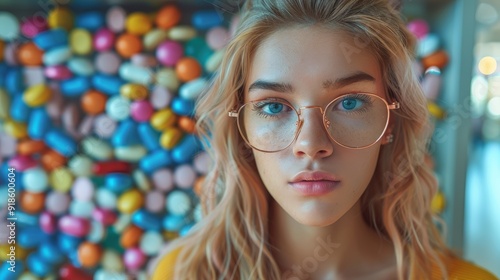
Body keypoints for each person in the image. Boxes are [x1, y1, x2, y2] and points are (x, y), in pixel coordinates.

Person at [150, 0, 498, 279]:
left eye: (350, 103)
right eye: (273, 106)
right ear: (242, 129)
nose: (311, 143)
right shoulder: (183, 273)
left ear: (390, 120)